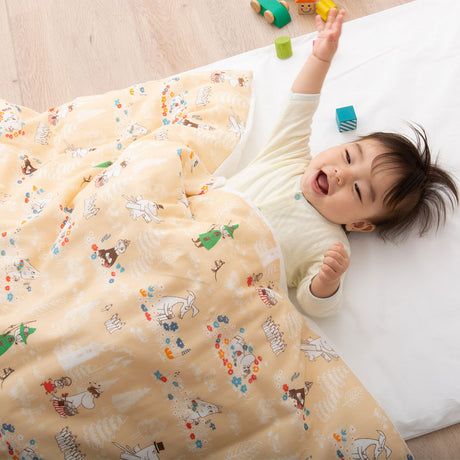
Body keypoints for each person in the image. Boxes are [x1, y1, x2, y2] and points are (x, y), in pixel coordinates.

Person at [226, 8, 458, 317]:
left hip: (222, 281)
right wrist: (321, 59)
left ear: (359, 224)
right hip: (189, 222)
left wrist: (326, 282)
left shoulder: (330, 246)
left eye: (359, 190)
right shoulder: (288, 155)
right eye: (349, 156)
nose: (341, 174)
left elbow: (316, 305)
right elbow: (300, 103)